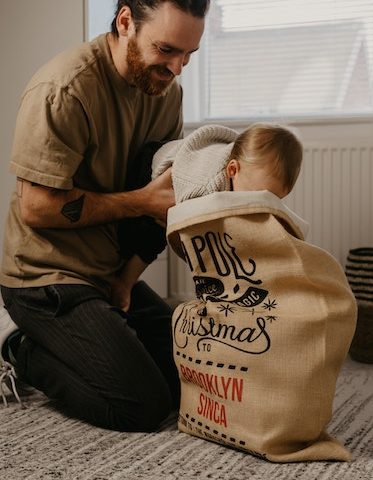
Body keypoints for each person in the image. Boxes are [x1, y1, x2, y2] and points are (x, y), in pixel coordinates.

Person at [0, 0, 209, 431]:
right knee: (142, 407)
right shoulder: (64, 87)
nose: (177, 68)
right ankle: (19, 348)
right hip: (43, 277)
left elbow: (161, 199)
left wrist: (125, 280)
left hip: (106, 271)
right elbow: (36, 208)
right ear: (126, 21)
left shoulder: (166, 94)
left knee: (191, 383)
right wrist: (142, 202)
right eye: (167, 49)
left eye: (188, 55)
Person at [112, 122, 303, 310]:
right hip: (151, 169)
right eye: (257, 196)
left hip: (197, 167)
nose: (262, 204)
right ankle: (124, 283)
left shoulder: (247, 178)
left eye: (273, 199)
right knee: (152, 235)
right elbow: (186, 236)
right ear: (233, 170)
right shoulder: (203, 188)